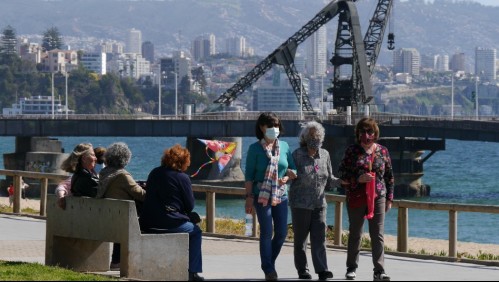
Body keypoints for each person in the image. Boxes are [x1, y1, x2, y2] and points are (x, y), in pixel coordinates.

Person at [338, 117, 394, 281]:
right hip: (357, 196)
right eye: (363, 131)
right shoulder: (351, 151)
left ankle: (379, 270)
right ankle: (351, 268)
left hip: (378, 196)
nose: (366, 135)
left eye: (370, 131)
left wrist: (389, 198)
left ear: (375, 133)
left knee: (377, 234)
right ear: (358, 133)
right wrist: (358, 178)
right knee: (356, 232)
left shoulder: (382, 151)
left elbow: (389, 176)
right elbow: (342, 173)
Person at [244, 112, 297, 281]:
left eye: (276, 126)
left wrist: (288, 177)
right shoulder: (254, 149)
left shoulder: (285, 146)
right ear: (261, 127)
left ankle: (269, 263)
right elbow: (249, 176)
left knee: (281, 233)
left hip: (281, 194)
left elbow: (294, 169)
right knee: (267, 231)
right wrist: (249, 197)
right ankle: (268, 269)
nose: (274, 129)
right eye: (270, 126)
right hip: (262, 195)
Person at [139, 144, 204, 281]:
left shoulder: (154, 172)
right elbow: (190, 205)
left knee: (188, 225)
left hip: (147, 223)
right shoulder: (182, 177)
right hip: (169, 223)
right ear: (184, 161)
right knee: (196, 232)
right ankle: (192, 272)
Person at [289, 121, 342, 281]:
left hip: (319, 204)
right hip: (300, 204)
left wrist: (342, 181)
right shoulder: (297, 155)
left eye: (318, 135)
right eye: (312, 135)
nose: (315, 138)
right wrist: (288, 174)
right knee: (301, 240)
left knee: (320, 239)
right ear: (305, 137)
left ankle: (322, 270)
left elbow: (330, 180)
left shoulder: (325, 154)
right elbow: (290, 177)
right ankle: (303, 270)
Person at [97, 142, 146, 270]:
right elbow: (141, 194)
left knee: (122, 221)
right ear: (125, 159)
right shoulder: (122, 175)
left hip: (109, 216)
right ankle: (120, 261)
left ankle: (116, 261)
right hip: (123, 218)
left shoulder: (103, 173)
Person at [56, 143, 94, 209]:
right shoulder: (86, 177)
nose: (96, 158)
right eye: (93, 155)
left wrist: (61, 196)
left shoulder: (76, 176)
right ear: (84, 158)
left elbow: (63, 186)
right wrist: (61, 196)